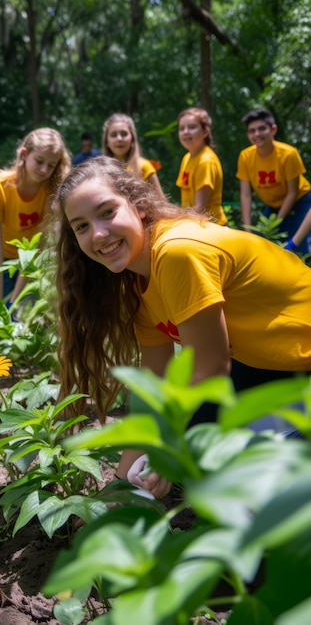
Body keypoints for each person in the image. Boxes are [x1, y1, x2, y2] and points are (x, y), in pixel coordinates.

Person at [54, 156, 311, 499]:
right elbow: (153, 389)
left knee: (235, 490)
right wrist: (116, 493)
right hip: (270, 367)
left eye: (106, 212)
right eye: (81, 226)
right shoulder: (137, 281)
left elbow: (211, 367)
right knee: (178, 436)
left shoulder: (177, 253)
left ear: (139, 206)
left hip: (296, 367)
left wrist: (166, 452)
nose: (98, 233)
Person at [0, 127, 71, 319]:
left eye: (51, 165)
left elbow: (38, 245)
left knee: (21, 317)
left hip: (29, 259)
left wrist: (15, 299)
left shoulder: (51, 191)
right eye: (39, 161)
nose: (44, 170)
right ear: (24, 154)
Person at [236, 108, 311, 254]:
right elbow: (245, 195)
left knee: (298, 249)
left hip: (300, 202)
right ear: (248, 135)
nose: (257, 134)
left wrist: (277, 222)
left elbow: (292, 192)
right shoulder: (245, 156)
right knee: (265, 246)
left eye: (262, 129)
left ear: (273, 129)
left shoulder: (288, 154)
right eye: (252, 131)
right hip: (272, 205)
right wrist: (247, 230)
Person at [176, 107, 227, 225]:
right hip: (196, 225)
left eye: (192, 127)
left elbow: (200, 208)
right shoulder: (187, 158)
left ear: (205, 132)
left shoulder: (206, 161)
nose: (186, 132)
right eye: (181, 128)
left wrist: (176, 221)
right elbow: (186, 201)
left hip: (214, 227)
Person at [102, 113, 164, 195]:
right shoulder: (101, 170)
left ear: (132, 139)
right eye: (113, 135)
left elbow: (162, 204)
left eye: (124, 134)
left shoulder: (144, 167)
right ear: (107, 142)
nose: (119, 139)